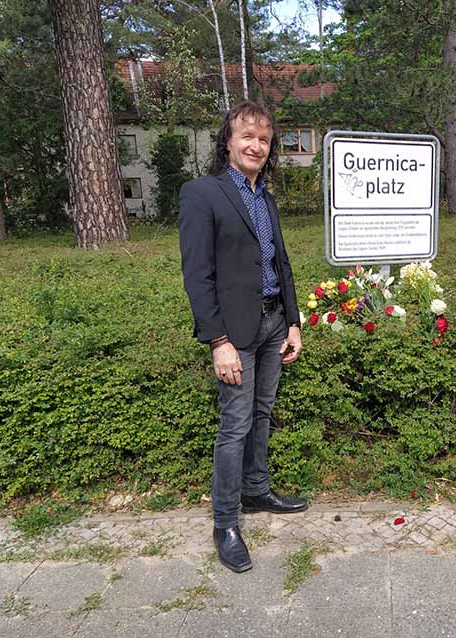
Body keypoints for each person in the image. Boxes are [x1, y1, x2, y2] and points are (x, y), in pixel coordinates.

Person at [178, 101, 306, 573]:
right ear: (227, 142)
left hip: (273, 323)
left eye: (264, 140)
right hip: (235, 331)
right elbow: (197, 275)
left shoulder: (264, 197)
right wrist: (217, 341)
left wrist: (293, 322)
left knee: (262, 412)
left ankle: (256, 490)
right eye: (246, 136)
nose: (256, 145)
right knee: (234, 425)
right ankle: (225, 523)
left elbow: (281, 263)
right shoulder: (201, 193)